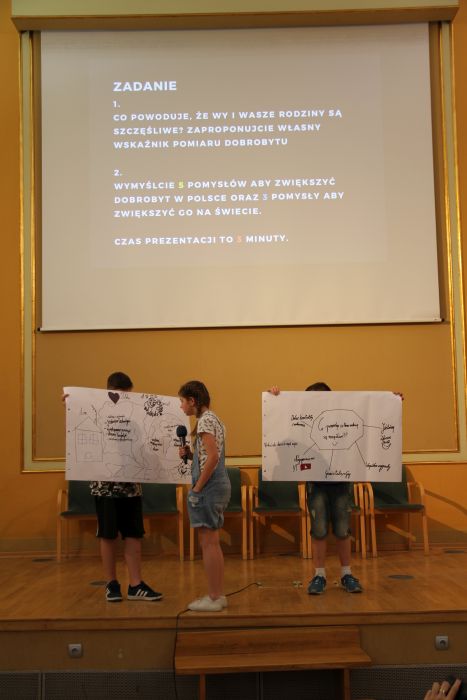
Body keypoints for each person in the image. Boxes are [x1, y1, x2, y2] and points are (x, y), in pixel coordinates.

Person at [64, 372, 162, 603]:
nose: (125, 398)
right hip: (104, 486)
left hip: (131, 486)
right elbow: (78, 421)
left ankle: (136, 584)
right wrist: (71, 403)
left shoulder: (135, 417)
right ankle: (111, 583)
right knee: (107, 534)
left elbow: (141, 446)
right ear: (110, 391)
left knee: (133, 533)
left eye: (128, 395)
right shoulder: (97, 412)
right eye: (122, 394)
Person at [269, 382, 363, 595]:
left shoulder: (343, 417)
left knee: (343, 529)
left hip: (341, 482)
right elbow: (283, 420)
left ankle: (346, 574)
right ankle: (319, 575)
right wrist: (274, 398)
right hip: (316, 483)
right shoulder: (305, 422)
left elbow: (371, 415)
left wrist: (391, 401)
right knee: (319, 530)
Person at [178, 380, 231, 612]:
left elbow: (213, 457)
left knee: (208, 544)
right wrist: (190, 455)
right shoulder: (213, 419)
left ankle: (214, 597)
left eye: (182, 401)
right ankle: (217, 595)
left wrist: (197, 488)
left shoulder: (205, 421)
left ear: (192, 400)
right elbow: (206, 456)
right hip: (216, 485)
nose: (181, 406)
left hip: (209, 488)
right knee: (212, 543)